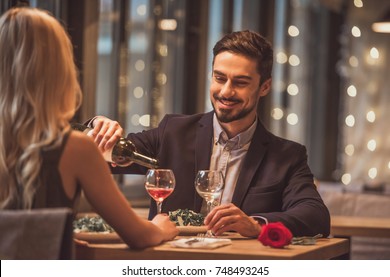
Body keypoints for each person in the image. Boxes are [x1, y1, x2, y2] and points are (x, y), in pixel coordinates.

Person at [87, 30, 331, 238]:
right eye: (219, 78)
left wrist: (255, 225)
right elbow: (100, 158)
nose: (226, 91)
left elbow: (315, 216)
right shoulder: (173, 132)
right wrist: (97, 126)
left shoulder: (287, 156)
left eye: (241, 82)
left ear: (264, 86)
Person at [0, 7, 178, 250]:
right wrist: (160, 227)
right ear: (59, 70)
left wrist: (53, 235)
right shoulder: (75, 148)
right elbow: (138, 236)